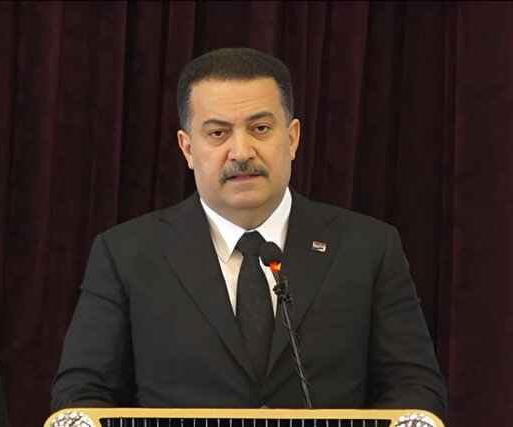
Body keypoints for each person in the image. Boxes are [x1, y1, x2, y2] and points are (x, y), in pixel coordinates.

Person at [51, 48, 447, 421]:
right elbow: (81, 395)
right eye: (217, 134)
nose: (241, 152)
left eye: (260, 128)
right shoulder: (126, 254)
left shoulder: (368, 248)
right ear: (187, 148)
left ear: (291, 138)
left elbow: (414, 387)